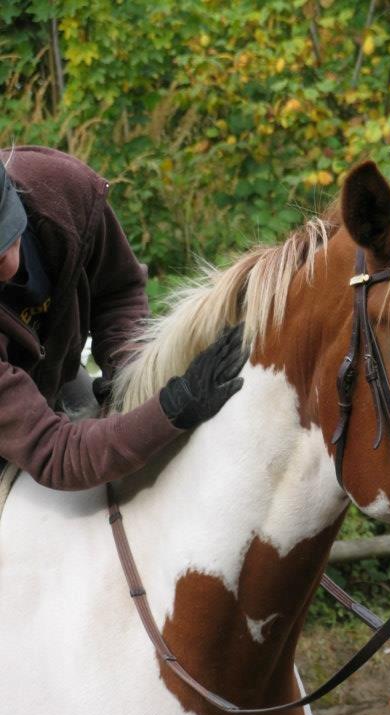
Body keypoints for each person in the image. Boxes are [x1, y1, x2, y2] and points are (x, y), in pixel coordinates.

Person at [0, 145, 243, 491]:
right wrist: (171, 407)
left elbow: (118, 290)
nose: (7, 269)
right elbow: (57, 453)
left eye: (4, 246)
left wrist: (129, 377)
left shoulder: (62, 191)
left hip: (56, 372)